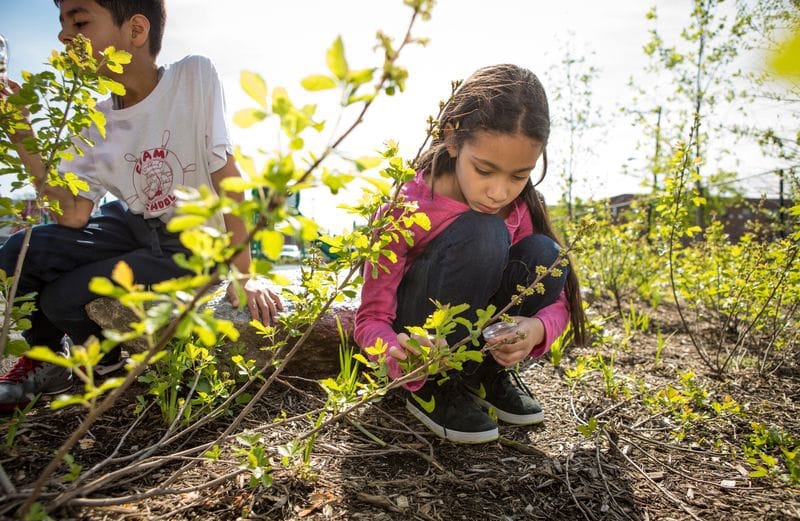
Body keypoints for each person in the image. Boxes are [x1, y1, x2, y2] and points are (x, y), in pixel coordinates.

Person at [0, 0, 282, 411]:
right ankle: (46, 357)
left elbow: (226, 173)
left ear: (135, 31)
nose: (64, 35)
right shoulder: (91, 123)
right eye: (61, 25)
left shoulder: (192, 76)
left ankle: (104, 362)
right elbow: (75, 215)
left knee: (61, 299)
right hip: (130, 221)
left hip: (190, 241)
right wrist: (22, 132)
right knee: (16, 253)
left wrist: (245, 273)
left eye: (79, 21)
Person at [354, 64, 586, 444]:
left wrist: (535, 328)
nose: (499, 192)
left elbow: (560, 301)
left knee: (547, 253)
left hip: (474, 344)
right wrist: (399, 353)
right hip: (421, 348)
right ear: (452, 140)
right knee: (483, 232)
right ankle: (436, 385)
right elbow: (371, 320)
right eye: (485, 170)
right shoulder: (405, 209)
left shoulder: (519, 209)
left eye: (518, 176)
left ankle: (484, 373)